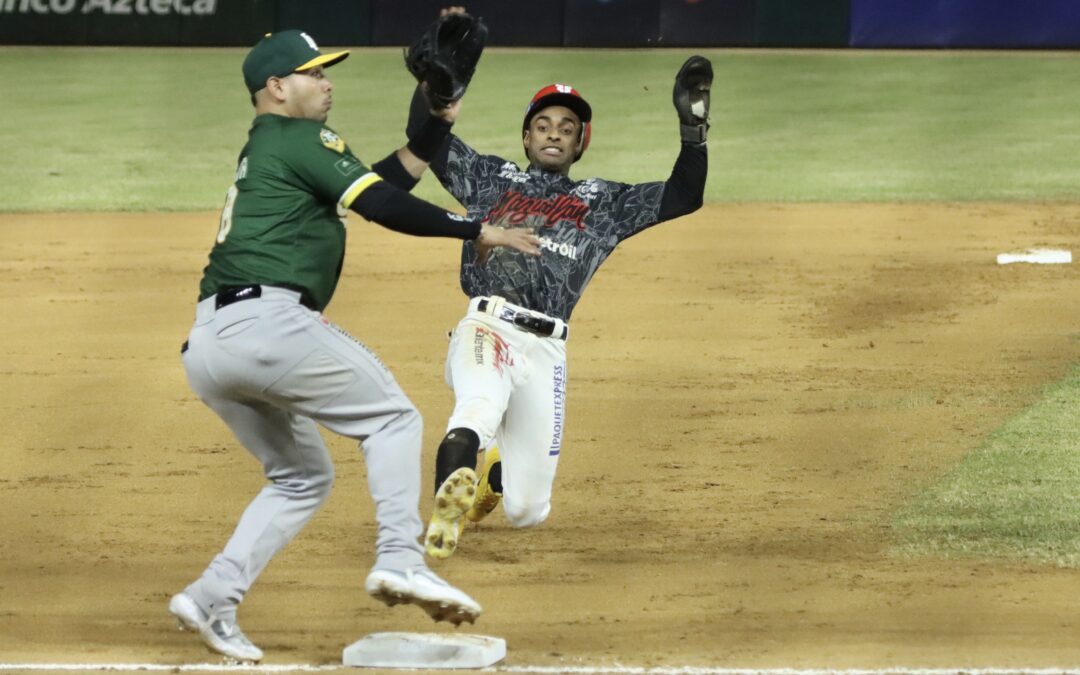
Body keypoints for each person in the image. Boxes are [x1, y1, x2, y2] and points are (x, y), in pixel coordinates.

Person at [167, 29, 540, 663]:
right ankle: (400, 558)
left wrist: (436, 123)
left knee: (299, 478)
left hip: (209, 345)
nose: (328, 82)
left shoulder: (275, 147)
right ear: (277, 89)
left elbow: (383, 179)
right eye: (314, 74)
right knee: (393, 418)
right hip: (268, 324)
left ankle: (210, 597)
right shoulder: (299, 137)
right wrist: (480, 229)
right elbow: (384, 205)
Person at [409, 46, 712, 559]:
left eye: (567, 127)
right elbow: (427, 138)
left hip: (547, 352)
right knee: (477, 408)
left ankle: (499, 474)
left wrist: (692, 130)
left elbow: (684, 196)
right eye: (544, 124)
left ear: (580, 144)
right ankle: (446, 517)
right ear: (526, 137)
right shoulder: (488, 178)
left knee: (528, 512)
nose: (554, 132)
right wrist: (435, 83)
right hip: (489, 328)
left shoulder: (606, 203)